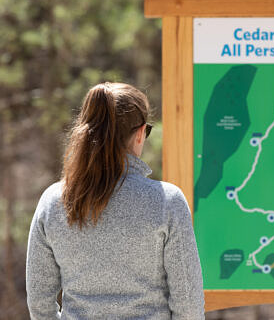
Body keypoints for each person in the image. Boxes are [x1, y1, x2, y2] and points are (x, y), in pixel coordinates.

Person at [26, 82, 205, 320]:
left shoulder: (53, 201)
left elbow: (39, 302)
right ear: (140, 133)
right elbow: (189, 306)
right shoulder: (166, 202)